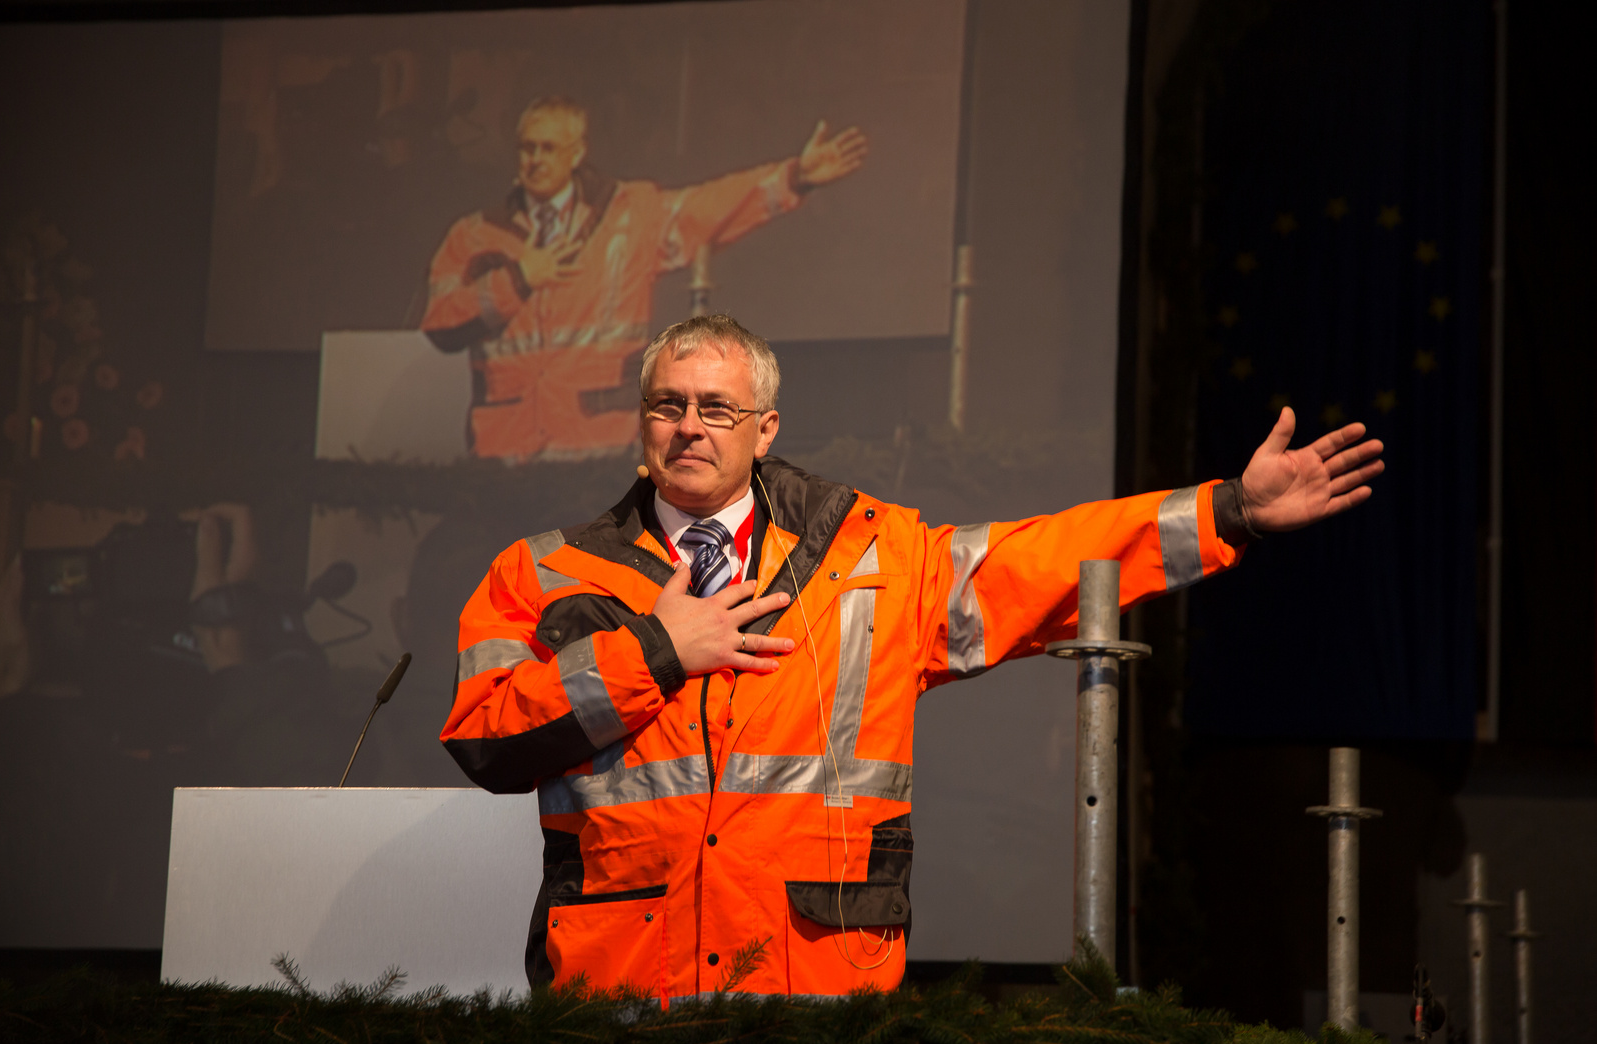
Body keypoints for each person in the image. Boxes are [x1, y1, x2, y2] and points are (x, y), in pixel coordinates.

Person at [439, 314, 1385, 1003]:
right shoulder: (544, 572)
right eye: (669, 405)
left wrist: (1227, 512)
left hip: (813, 998)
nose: (691, 425)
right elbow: (483, 738)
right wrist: (656, 650)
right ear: (641, 428)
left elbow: (1044, 562)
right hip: (615, 1002)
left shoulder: (871, 558)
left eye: (719, 409)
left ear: (765, 429)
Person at [420, 97, 868, 462]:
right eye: (527, 148)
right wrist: (517, 278)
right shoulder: (474, 235)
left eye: (548, 148)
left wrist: (794, 178)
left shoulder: (629, 216)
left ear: (576, 153)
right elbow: (439, 321)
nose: (535, 160)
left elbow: (710, 208)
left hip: (598, 453)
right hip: (502, 454)